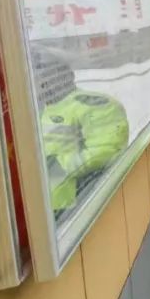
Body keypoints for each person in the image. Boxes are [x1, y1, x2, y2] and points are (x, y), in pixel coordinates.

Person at [35, 51, 130, 217]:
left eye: (50, 75)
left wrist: (54, 168)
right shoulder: (36, 108)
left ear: (68, 75)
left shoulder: (92, 104)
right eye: (40, 76)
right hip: (35, 204)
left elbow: (106, 150)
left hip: (69, 207)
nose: (44, 82)